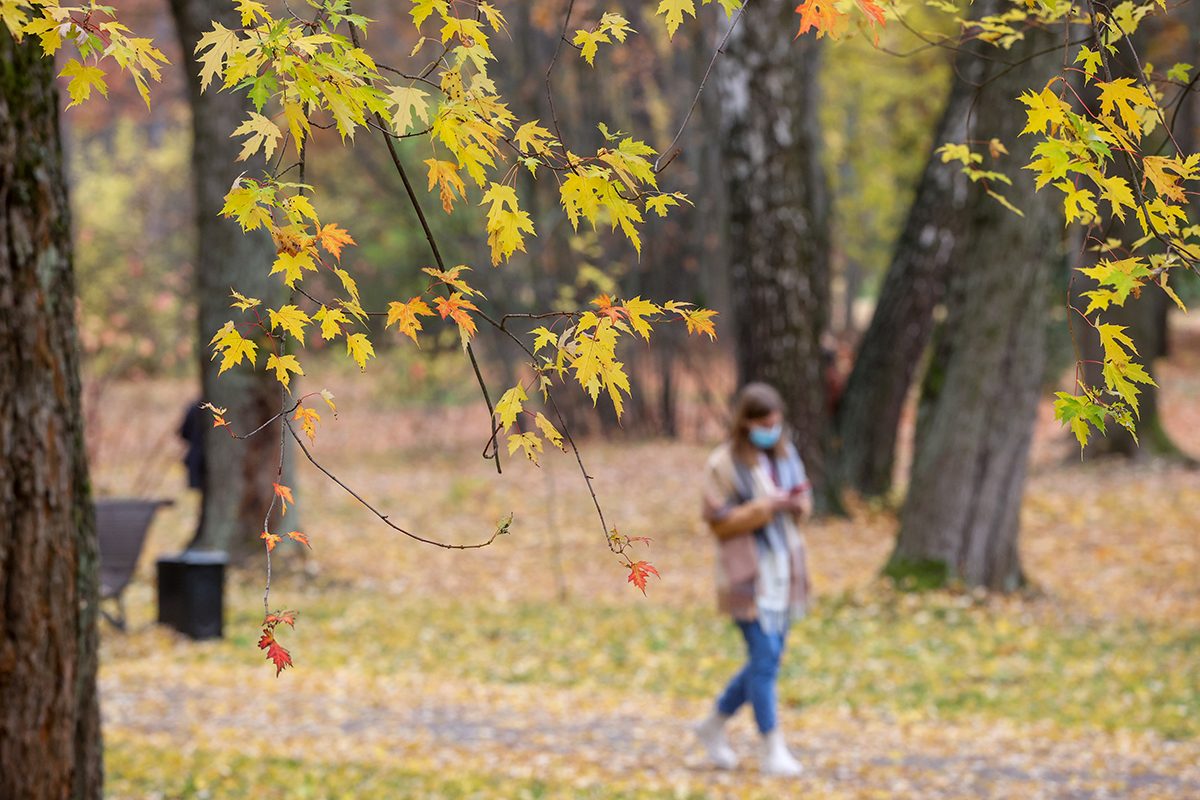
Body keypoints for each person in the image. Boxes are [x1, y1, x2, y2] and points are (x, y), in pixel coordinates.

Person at [694, 382, 812, 776]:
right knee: (764, 660)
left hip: (784, 569)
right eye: (764, 424)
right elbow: (718, 523)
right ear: (746, 422)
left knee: (768, 659)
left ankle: (711, 726)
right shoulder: (723, 464)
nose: (772, 431)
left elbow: (804, 504)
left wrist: (796, 504)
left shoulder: (785, 454)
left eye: (776, 424)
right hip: (745, 573)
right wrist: (765, 507)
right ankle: (771, 748)